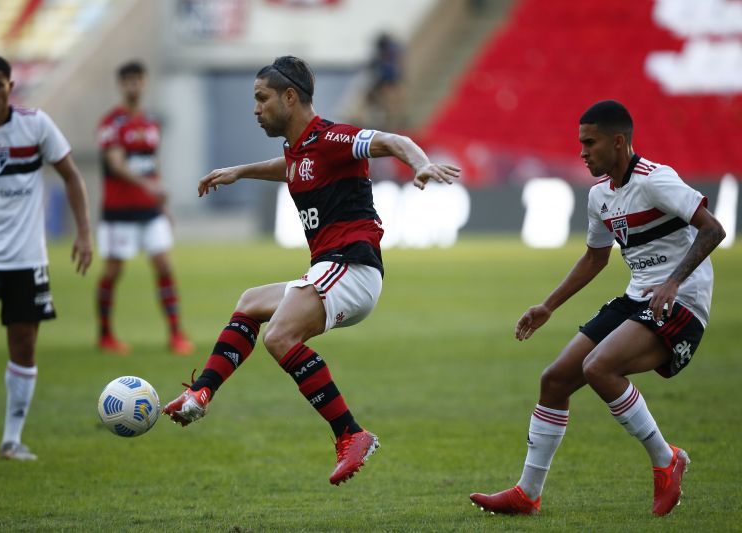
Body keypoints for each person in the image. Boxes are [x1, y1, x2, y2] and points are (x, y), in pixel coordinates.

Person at [162, 55, 460, 485]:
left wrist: (420, 164)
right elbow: (293, 168)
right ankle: (201, 392)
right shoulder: (299, 149)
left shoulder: (334, 137)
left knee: (280, 336)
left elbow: (392, 140)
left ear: (289, 97)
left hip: (352, 266)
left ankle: (351, 434)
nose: (255, 108)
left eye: (262, 98)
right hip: (331, 268)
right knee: (250, 303)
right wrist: (239, 172)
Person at [469, 100, 725, 516]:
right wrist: (548, 306)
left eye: (590, 143)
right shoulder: (599, 196)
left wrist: (674, 281)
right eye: (580, 143)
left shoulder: (656, 181)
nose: (582, 152)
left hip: (681, 301)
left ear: (618, 141)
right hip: (638, 297)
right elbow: (595, 258)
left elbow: (713, 229)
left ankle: (666, 460)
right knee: (554, 380)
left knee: (598, 367)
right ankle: (527, 493)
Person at [0, 54, 93, 460]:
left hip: (27, 257)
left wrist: (83, 232)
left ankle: (11, 439)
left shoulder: (36, 124)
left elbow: (71, 175)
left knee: (23, 345)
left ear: (11, 86)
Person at [95, 61, 194, 356]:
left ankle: (176, 334)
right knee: (113, 271)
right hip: (119, 212)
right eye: (127, 81)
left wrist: (164, 205)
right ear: (120, 85)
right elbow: (116, 163)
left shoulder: (151, 122)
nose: (133, 86)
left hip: (150, 210)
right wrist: (147, 186)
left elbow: (153, 164)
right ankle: (105, 334)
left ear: (145, 82)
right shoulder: (110, 123)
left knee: (164, 265)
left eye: (137, 80)